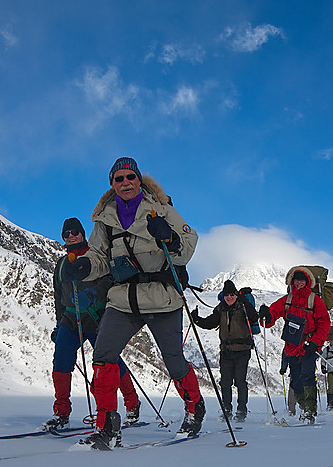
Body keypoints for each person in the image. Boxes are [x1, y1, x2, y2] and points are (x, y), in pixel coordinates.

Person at [63, 157, 203, 449]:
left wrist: (171, 239)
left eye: (130, 177)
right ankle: (107, 426)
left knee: (174, 362)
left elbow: (187, 247)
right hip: (124, 298)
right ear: (112, 184)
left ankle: (194, 407)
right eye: (118, 179)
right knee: (103, 357)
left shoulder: (162, 210)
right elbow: (100, 256)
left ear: (139, 180)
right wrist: (85, 267)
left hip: (162, 297)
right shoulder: (105, 219)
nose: (125, 183)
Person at [45, 217, 141, 431]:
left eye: (74, 232)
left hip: (97, 319)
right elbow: (58, 295)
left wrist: (94, 293)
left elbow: (109, 280)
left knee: (110, 362)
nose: (70, 237)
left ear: (82, 233)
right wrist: (59, 324)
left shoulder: (95, 256)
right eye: (66, 234)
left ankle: (132, 403)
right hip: (70, 321)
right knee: (60, 363)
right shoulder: (61, 264)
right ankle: (61, 413)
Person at [259, 267, 331, 424]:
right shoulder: (287, 300)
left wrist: (316, 342)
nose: (299, 283)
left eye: (302, 280)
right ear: (292, 282)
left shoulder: (314, 300)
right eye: (296, 280)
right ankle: (305, 407)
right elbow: (272, 315)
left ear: (307, 282)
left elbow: (324, 323)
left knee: (307, 376)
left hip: (309, 346)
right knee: (296, 381)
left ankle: (310, 412)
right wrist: (266, 315)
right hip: (292, 347)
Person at [191, 279, 258, 422]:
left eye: (232, 295)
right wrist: (196, 319)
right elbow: (210, 323)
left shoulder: (243, 306)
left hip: (242, 350)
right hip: (226, 351)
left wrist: (248, 303)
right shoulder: (220, 309)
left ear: (236, 294)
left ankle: (241, 410)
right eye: (227, 295)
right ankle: (227, 409)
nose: (229, 297)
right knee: (225, 382)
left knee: (240, 381)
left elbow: (254, 317)